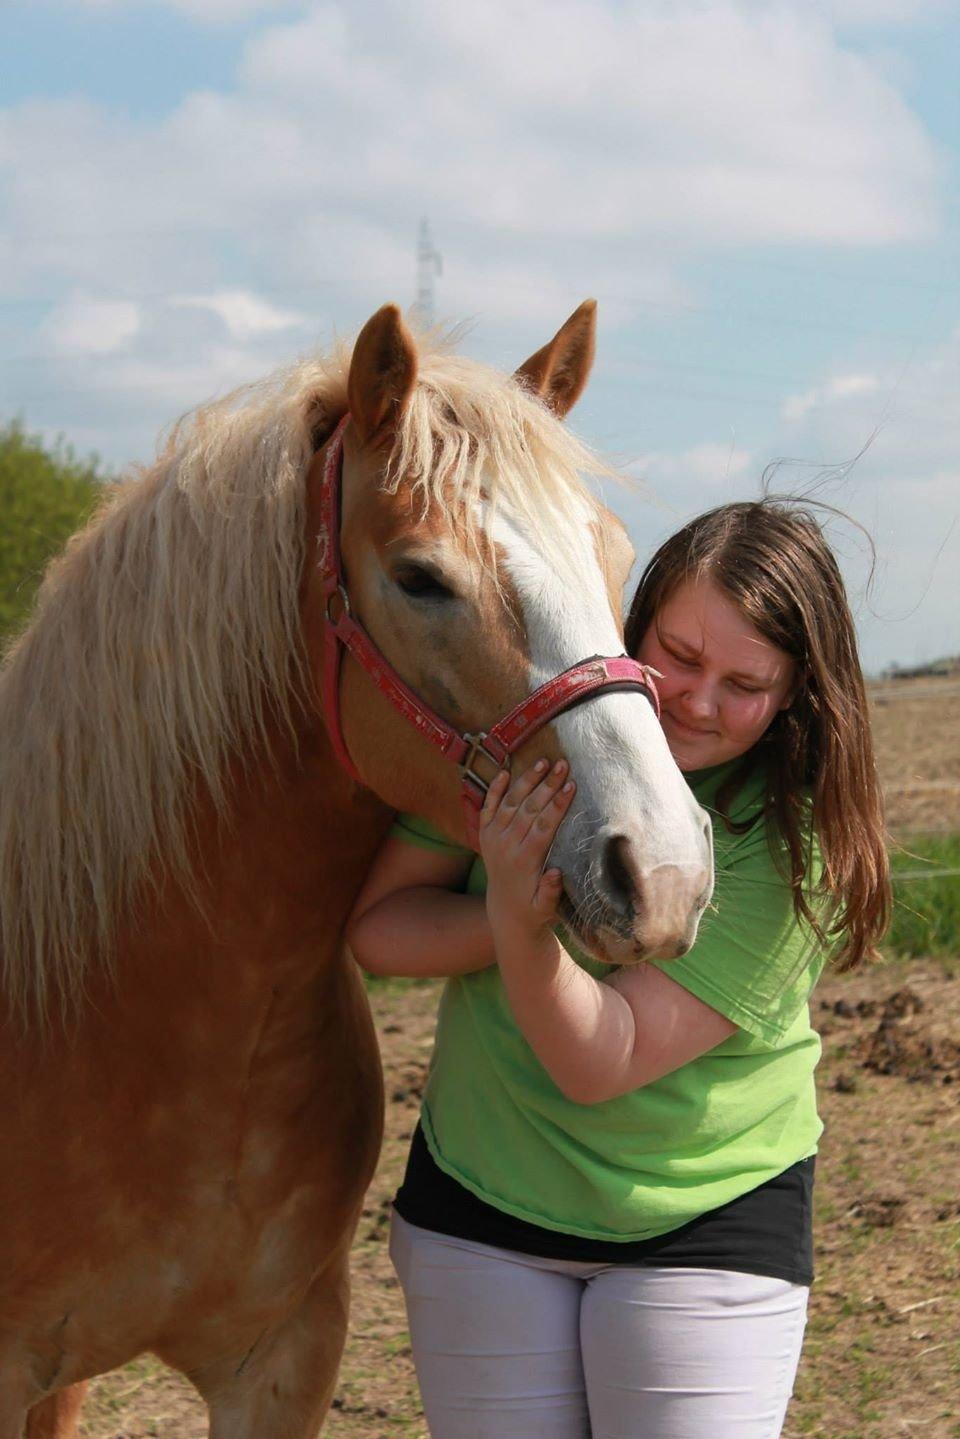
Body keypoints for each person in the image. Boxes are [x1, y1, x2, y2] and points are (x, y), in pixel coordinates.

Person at [346, 499, 890, 1439]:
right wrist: (516, 905)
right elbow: (382, 930)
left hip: (702, 1228)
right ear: (626, 621)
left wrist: (530, 915)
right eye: (678, 653)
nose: (699, 699)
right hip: (481, 1211)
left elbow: (599, 1061)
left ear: (797, 693)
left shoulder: (791, 842)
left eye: (745, 683)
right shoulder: (524, 735)